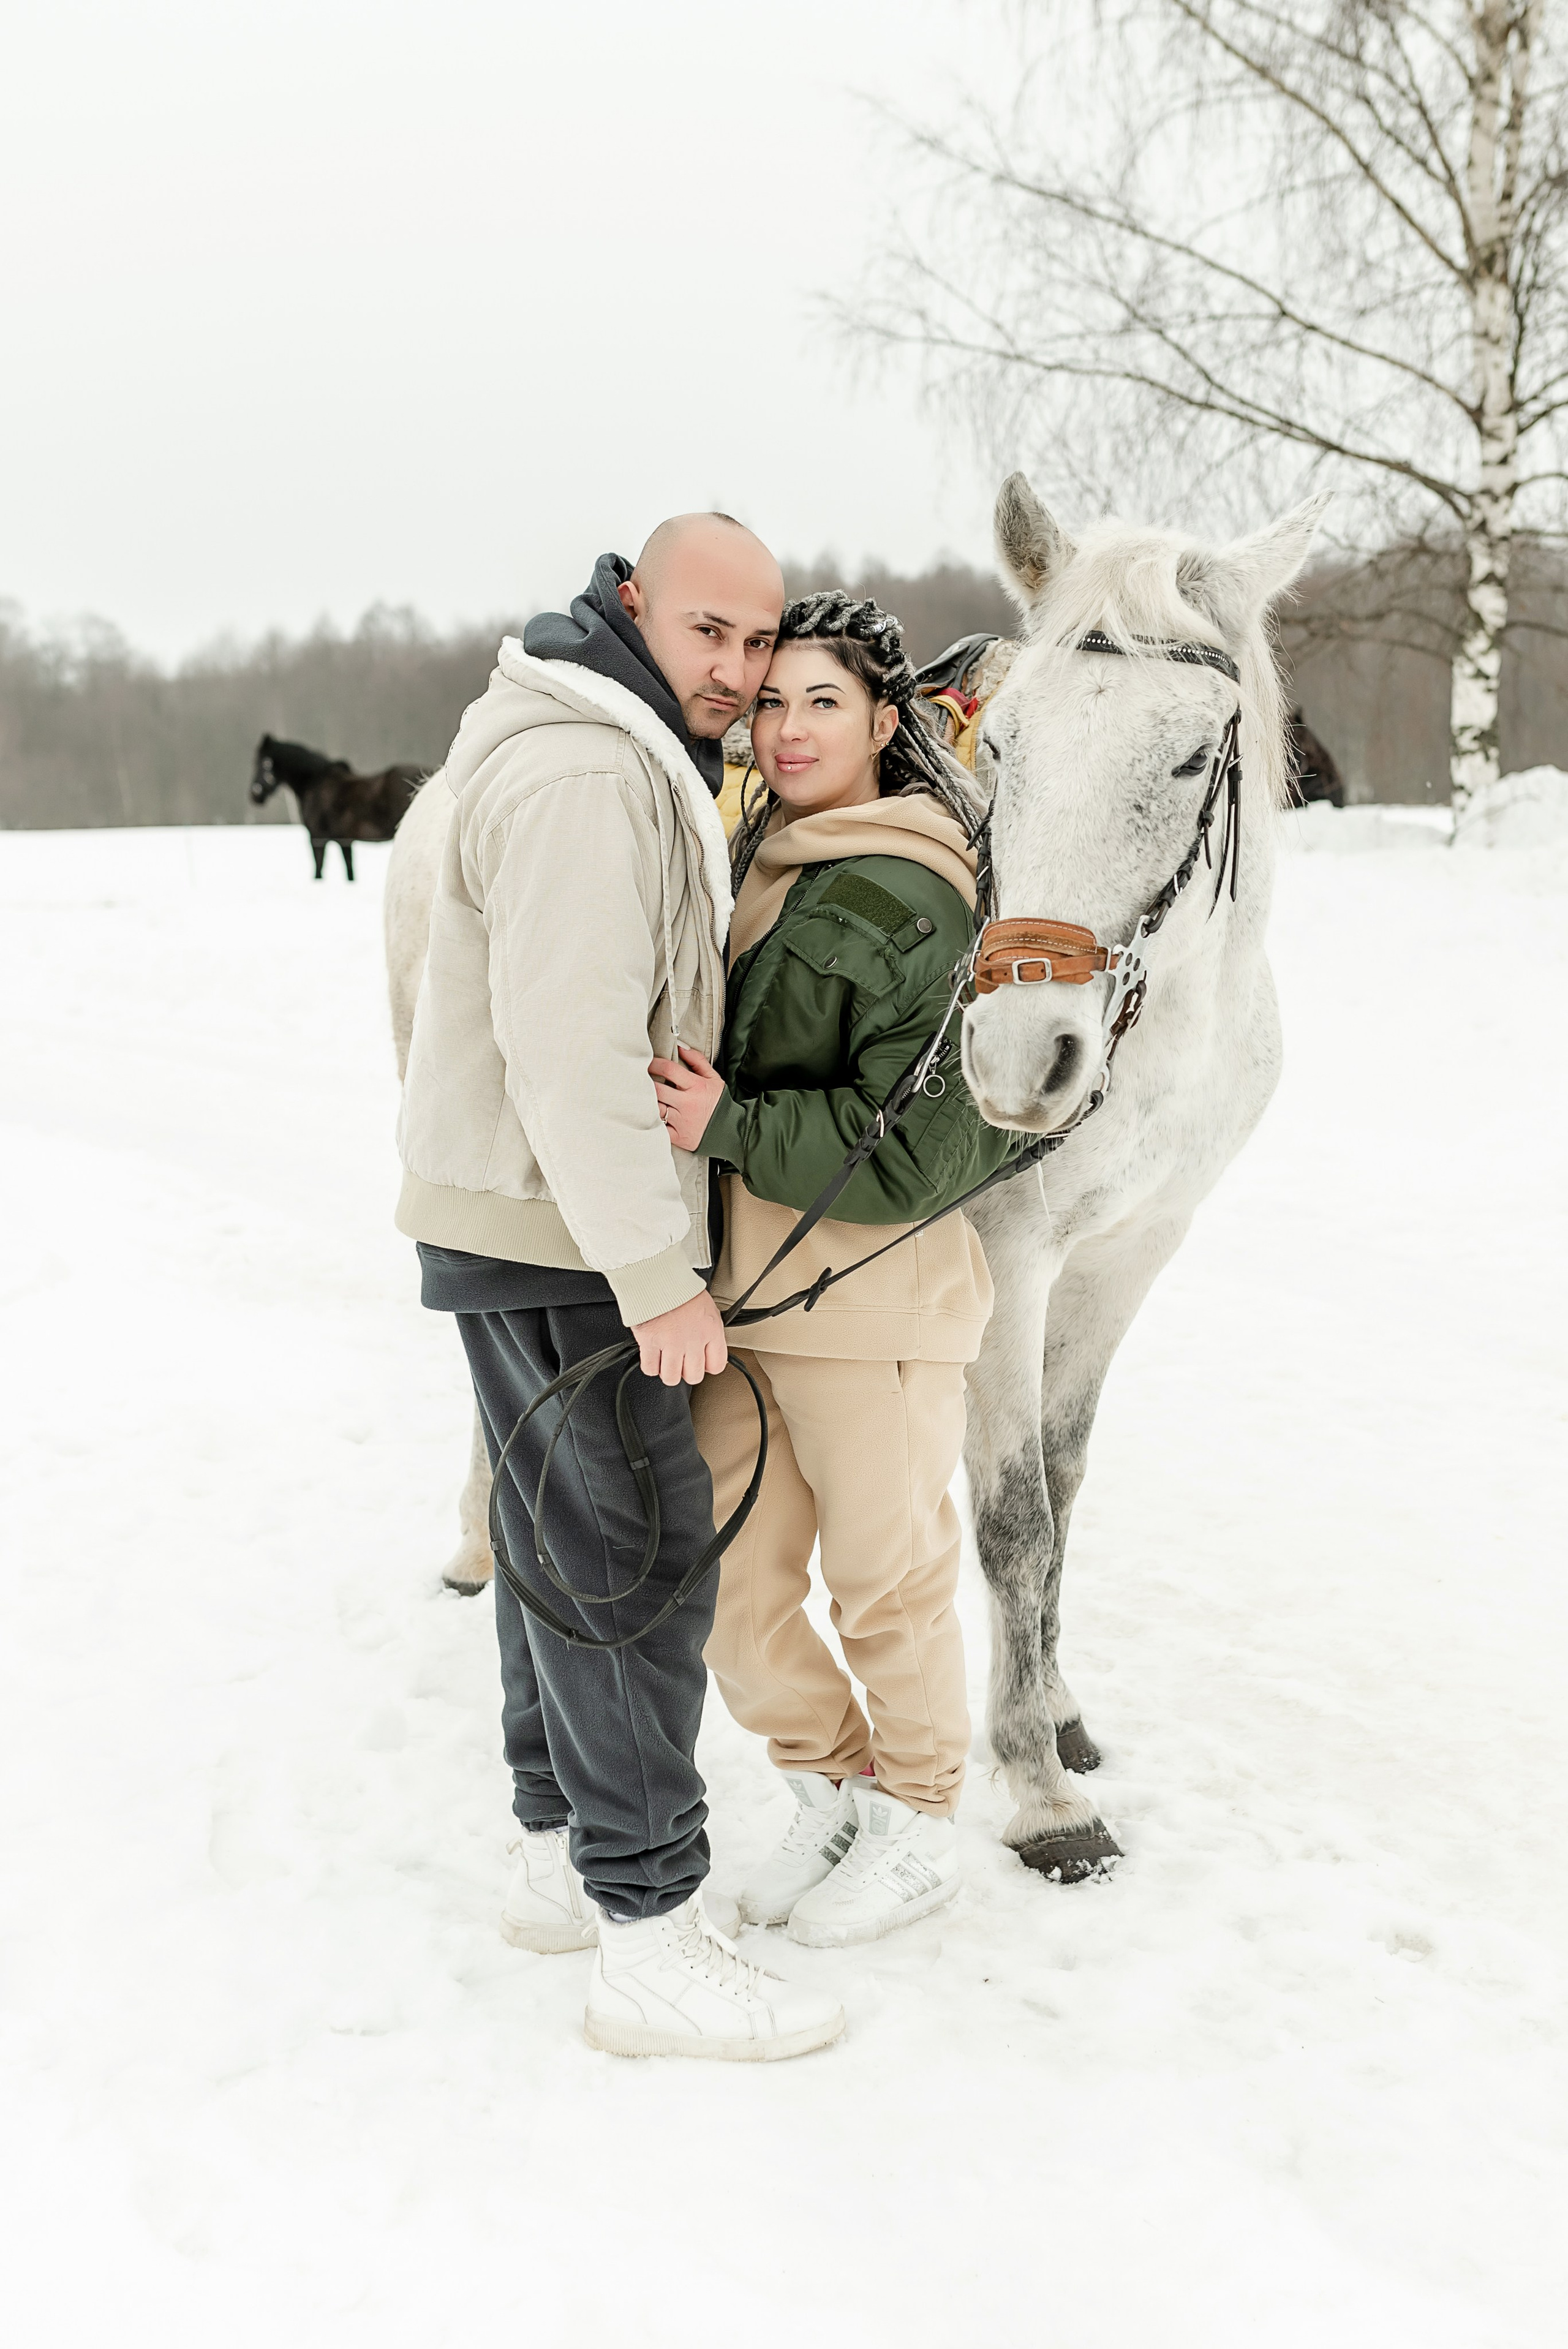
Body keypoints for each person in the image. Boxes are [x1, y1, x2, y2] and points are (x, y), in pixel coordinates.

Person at [394, 515, 845, 2062]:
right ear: (634, 601)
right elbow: (569, 1050)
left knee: (550, 1546)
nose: (733, 670)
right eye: (705, 633)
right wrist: (655, 1276)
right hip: (566, 1230)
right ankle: (648, 1927)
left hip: (527, 1216)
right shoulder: (589, 771)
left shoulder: (604, 732)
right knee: (633, 1563)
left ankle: (553, 1855)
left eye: (754, 640)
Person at [651, 594, 1024, 1947]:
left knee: (886, 1583)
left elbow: (926, 1146)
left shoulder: (915, 881)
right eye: (771, 702)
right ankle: (832, 1784)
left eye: (823, 702)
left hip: (872, 1307)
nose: (791, 727)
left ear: (885, 720)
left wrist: (731, 1124)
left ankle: (919, 1819)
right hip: (744, 1302)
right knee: (732, 1589)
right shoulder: (773, 859)